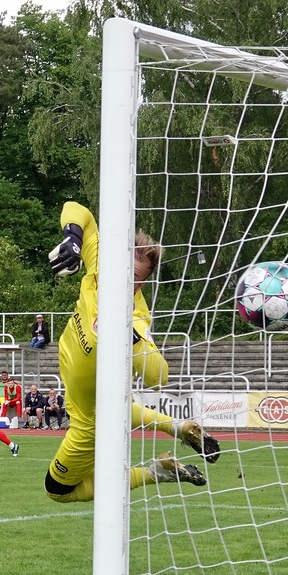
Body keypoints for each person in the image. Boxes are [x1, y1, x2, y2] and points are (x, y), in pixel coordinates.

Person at [43, 200, 219, 503]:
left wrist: (129, 333)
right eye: (127, 274)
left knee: (57, 491)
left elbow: (158, 376)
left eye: (138, 280)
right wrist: (72, 237)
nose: (130, 284)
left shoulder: (137, 318)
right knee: (118, 407)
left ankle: (155, 473)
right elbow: (76, 209)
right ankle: (179, 427)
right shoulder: (100, 264)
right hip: (78, 392)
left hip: (89, 425)